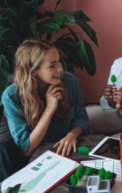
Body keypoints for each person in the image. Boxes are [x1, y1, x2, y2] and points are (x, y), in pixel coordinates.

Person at [0, 38, 91, 181]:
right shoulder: (11, 96)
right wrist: (49, 109)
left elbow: (81, 118)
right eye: (52, 65)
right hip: (36, 155)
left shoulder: (70, 81)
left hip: (67, 149)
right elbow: (27, 149)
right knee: (3, 148)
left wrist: (72, 135)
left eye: (59, 61)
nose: (60, 68)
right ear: (33, 71)